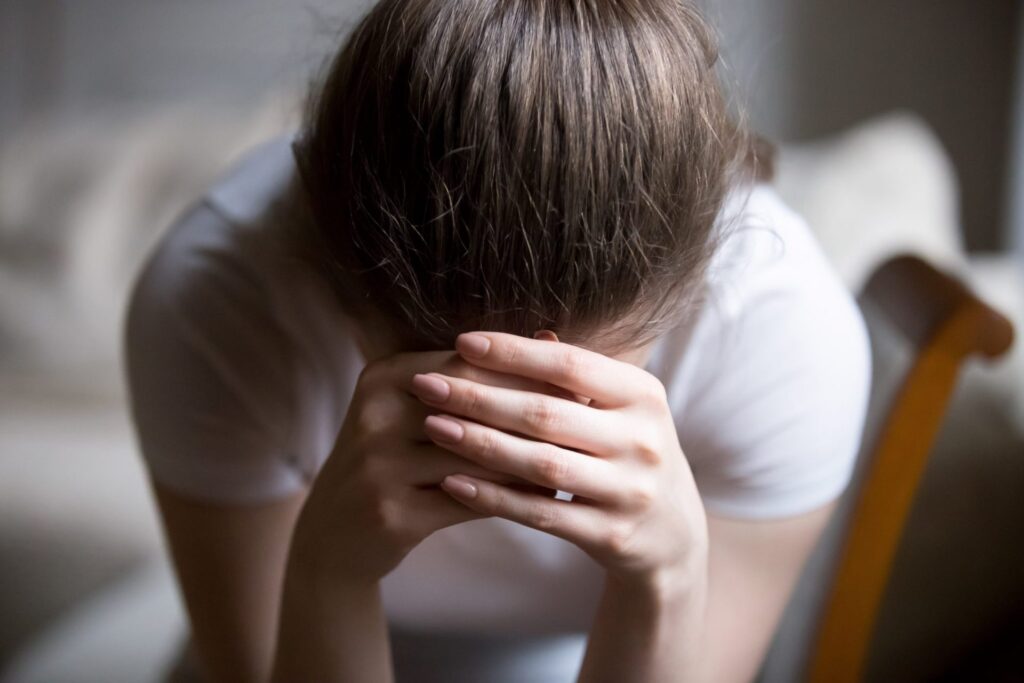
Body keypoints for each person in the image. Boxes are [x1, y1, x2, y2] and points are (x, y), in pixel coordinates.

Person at [123, 1, 871, 681]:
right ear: (338, 283)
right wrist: (326, 573)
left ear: (679, 299)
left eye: (569, 390)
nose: (508, 451)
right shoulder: (216, 300)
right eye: (437, 376)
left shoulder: (785, 334)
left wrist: (669, 578)